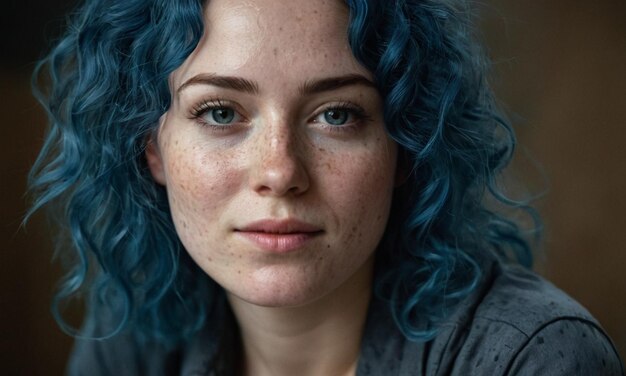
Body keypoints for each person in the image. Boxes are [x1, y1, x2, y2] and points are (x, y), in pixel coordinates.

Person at [28, 0, 623, 375]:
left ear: (406, 145)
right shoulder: (131, 338)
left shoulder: (533, 357)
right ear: (151, 146)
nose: (281, 171)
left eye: (337, 115)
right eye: (219, 112)